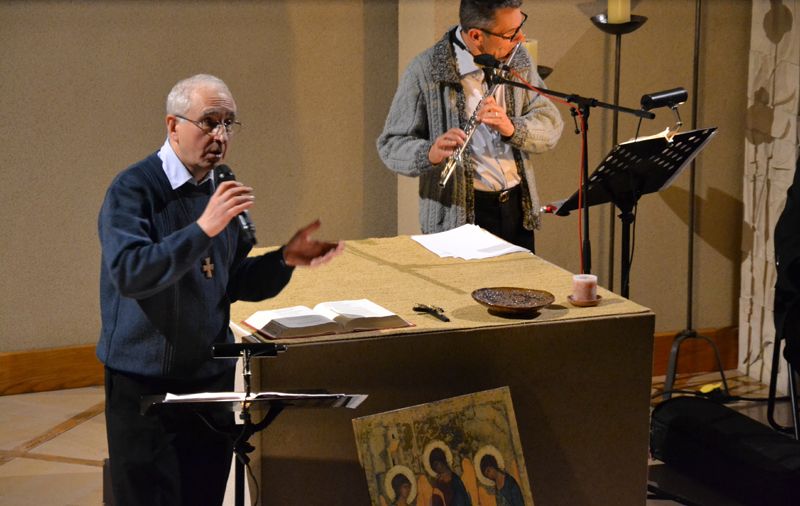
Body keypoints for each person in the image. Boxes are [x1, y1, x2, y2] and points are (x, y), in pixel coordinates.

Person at [97, 73, 343, 506]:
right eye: (209, 122)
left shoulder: (219, 187)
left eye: (229, 124)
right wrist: (202, 228)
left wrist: (285, 258)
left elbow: (231, 279)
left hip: (210, 381)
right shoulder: (133, 189)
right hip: (146, 387)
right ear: (173, 125)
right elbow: (130, 272)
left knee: (204, 496)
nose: (221, 136)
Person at [377, 0, 563, 251]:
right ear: (476, 35)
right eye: (510, 34)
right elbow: (391, 145)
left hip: (517, 210)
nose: (521, 38)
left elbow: (550, 123)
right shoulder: (426, 70)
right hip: (460, 220)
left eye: (520, 26)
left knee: (522, 289)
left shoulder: (517, 59)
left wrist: (511, 128)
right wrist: (429, 153)